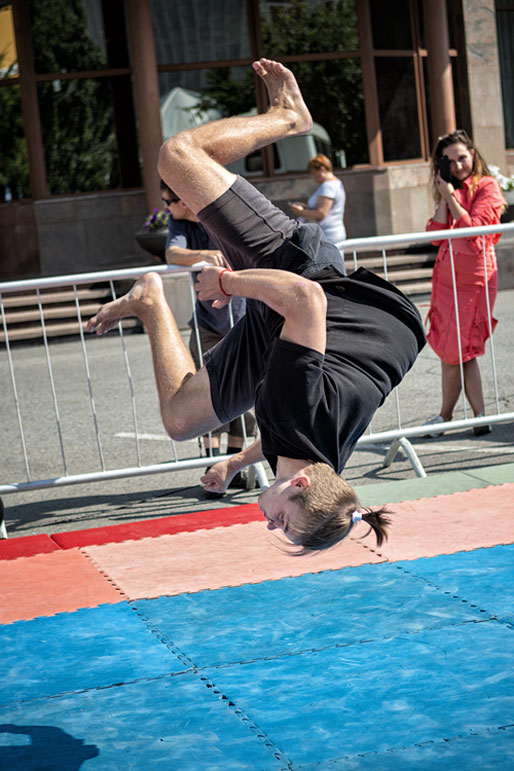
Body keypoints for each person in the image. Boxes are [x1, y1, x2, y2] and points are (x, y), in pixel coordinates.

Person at [87, 58, 425, 552]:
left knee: (182, 420)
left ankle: (150, 300)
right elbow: (305, 301)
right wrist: (226, 282)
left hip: (304, 333)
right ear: (300, 486)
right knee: (177, 156)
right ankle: (291, 118)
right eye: (284, 524)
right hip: (306, 278)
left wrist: (233, 463)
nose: (272, 526)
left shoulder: (317, 460)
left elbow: (281, 436)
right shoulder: (298, 411)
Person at [159, 180, 256, 495]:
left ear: (185, 199)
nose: (167, 207)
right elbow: (172, 252)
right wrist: (205, 254)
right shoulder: (179, 221)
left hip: (243, 320)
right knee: (205, 393)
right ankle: (211, 462)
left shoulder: (220, 214)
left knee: (245, 393)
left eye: (170, 201)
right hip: (208, 323)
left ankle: (233, 461)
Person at [423, 130, 506, 438]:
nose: (458, 165)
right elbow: (435, 234)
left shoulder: (487, 186)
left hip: (474, 281)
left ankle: (451, 417)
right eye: (450, 161)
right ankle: (474, 415)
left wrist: (450, 198)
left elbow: (475, 234)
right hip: (446, 281)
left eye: (462, 158)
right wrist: (446, 196)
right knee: (454, 351)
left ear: (473, 155)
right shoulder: (450, 188)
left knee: (459, 351)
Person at [288, 153, 346, 257]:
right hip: (332, 232)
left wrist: (300, 212)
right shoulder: (335, 183)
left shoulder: (328, 186)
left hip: (327, 234)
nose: (313, 177)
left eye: (314, 173)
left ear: (322, 169)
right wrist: (307, 208)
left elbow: (321, 213)